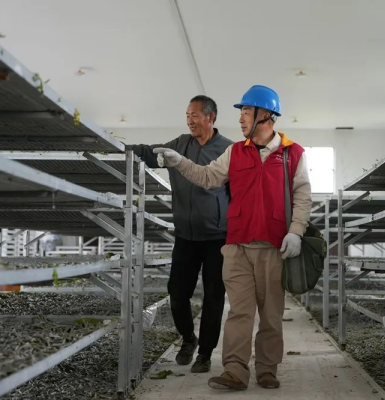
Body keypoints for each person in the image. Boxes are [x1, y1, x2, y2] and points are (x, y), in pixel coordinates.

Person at [152, 85, 312, 390]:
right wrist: (179, 162)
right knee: (239, 312)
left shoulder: (292, 153)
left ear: (266, 115)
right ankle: (235, 370)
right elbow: (207, 176)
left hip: (273, 247)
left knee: (271, 314)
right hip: (237, 246)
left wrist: (296, 232)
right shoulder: (235, 151)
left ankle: (267, 368)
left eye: (246, 112)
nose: (240, 119)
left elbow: (302, 195)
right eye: (241, 112)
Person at [126, 95, 233, 373]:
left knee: (213, 296)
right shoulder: (180, 144)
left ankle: (205, 353)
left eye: (194, 115)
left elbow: (236, 195)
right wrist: (120, 148)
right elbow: (151, 153)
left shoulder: (228, 150)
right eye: (187, 115)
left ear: (210, 117)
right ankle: (188, 339)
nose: (189, 121)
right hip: (186, 235)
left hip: (218, 238)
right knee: (177, 292)